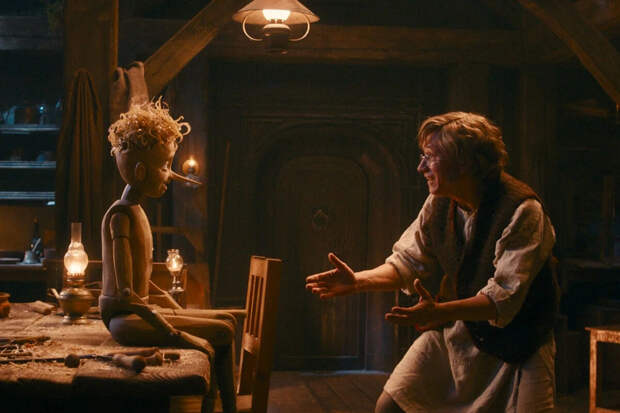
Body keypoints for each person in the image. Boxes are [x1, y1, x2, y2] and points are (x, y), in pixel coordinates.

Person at [305, 112, 559, 413]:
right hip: (462, 334)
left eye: (430, 157)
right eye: (422, 157)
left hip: (520, 344)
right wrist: (358, 281)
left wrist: (439, 311)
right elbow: (407, 261)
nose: (421, 167)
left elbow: (502, 299)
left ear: (464, 162)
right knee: (390, 407)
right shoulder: (439, 203)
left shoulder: (522, 210)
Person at [100, 98, 237, 413]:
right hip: (123, 321)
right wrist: (178, 334)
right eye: (164, 167)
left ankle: (220, 405)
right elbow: (126, 294)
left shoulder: (135, 210)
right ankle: (221, 406)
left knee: (227, 320)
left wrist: (175, 310)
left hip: (138, 311)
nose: (171, 175)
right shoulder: (121, 216)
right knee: (223, 331)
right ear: (140, 171)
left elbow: (142, 283)